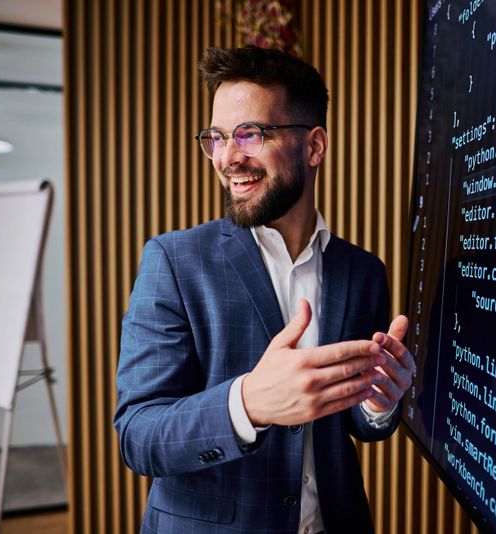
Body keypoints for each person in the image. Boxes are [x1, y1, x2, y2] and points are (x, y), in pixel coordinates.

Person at [113, 45, 415, 534]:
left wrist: (378, 403)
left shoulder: (364, 273)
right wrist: (248, 402)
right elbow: (139, 435)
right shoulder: (172, 261)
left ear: (314, 146)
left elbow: (359, 426)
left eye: (249, 134)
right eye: (215, 138)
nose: (228, 158)